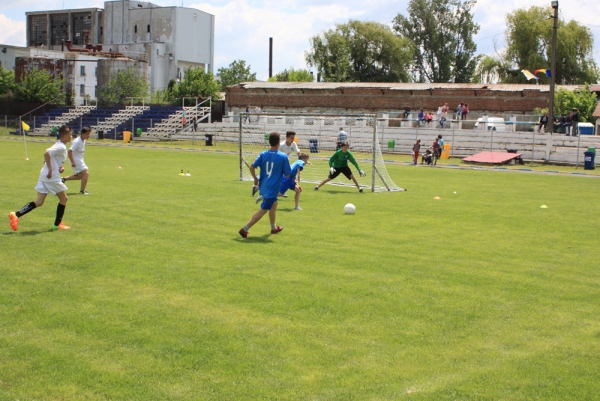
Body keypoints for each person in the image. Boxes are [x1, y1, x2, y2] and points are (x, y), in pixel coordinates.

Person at [8, 125, 73, 231]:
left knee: (39, 201)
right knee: (64, 198)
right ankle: (57, 224)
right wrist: (51, 170)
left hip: (45, 175)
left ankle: (15, 215)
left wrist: (59, 167)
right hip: (51, 177)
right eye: (71, 134)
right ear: (65, 135)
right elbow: (46, 153)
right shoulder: (60, 146)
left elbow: (51, 158)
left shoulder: (59, 145)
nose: (72, 136)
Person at [239, 132, 291, 238]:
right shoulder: (283, 156)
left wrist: (255, 179)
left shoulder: (263, 154)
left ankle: (273, 228)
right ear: (278, 142)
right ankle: (244, 229)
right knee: (263, 210)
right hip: (273, 188)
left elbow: (251, 167)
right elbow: (288, 174)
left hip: (264, 185)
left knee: (274, 204)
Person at [62, 127, 91, 195]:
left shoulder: (83, 140)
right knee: (86, 174)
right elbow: (69, 151)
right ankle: (82, 191)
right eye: (87, 134)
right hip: (76, 160)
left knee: (81, 176)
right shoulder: (77, 141)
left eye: (89, 134)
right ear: (83, 134)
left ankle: (63, 179)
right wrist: (72, 162)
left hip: (79, 160)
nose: (88, 135)